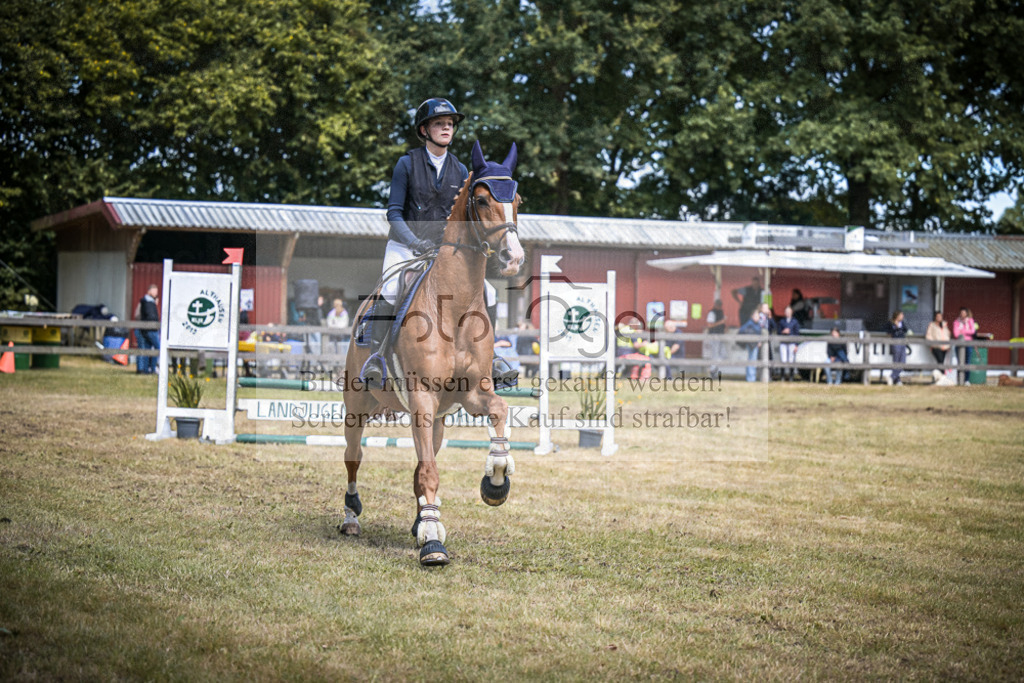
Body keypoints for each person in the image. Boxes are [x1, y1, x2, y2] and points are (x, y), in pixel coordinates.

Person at [361, 97, 516, 389]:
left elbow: (463, 217)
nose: (446, 128)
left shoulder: (459, 170)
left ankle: (491, 358)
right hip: (405, 247)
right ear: (424, 130)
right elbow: (393, 212)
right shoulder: (406, 164)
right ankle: (377, 360)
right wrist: (414, 241)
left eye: (449, 124)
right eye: (439, 124)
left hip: (442, 250)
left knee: (490, 293)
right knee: (392, 289)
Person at [135, 284, 160, 375]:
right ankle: (151, 369)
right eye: (154, 291)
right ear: (149, 291)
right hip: (149, 329)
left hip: (145, 329)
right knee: (157, 348)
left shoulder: (147, 302)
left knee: (146, 348)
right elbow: (140, 316)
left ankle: (146, 369)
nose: (156, 293)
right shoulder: (148, 302)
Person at [952, 307, 978, 385]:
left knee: (968, 361)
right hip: (959, 343)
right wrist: (966, 332)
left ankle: (966, 380)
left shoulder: (970, 321)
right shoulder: (956, 322)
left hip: (968, 343)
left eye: (964, 313)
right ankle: (959, 379)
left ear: (966, 313)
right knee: (959, 362)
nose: (962, 314)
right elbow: (956, 334)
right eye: (961, 313)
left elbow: (972, 331)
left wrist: (962, 331)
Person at [887, 310, 912, 386]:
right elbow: (889, 332)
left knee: (902, 362)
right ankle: (897, 379)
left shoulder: (902, 323)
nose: (902, 317)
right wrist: (896, 327)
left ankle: (892, 377)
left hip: (903, 342)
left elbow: (906, 330)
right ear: (897, 316)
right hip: (895, 343)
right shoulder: (891, 323)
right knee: (896, 361)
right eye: (901, 315)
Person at [777, 305, 801, 381]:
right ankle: (782, 376)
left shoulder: (795, 321)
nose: (787, 313)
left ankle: (791, 376)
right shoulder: (781, 321)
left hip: (792, 342)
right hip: (783, 342)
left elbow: (797, 333)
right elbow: (778, 332)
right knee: (783, 359)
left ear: (791, 312)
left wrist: (796, 345)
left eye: (789, 311)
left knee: (791, 359)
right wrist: (783, 332)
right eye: (786, 311)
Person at [925, 311, 951, 381]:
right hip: (936, 347)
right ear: (935, 317)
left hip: (944, 347)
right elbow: (928, 335)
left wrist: (948, 345)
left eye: (940, 316)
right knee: (940, 362)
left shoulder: (945, 325)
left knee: (941, 362)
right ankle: (942, 378)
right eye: (937, 316)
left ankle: (937, 378)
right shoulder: (932, 325)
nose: (939, 318)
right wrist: (933, 343)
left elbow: (947, 335)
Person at [738, 310, 762, 382]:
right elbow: (742, 330)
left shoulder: (758, 324)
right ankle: (750, 378)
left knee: (753, 360)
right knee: (751, 360)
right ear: (752, 316)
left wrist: (759, 341)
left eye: (757, 316)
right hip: (750, 344)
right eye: (755, 316)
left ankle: (751, 378)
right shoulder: (750, 323)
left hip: (755, 344)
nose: (756, 318)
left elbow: (759, 334)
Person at [704, 299, 727, 377]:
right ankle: (712, 370)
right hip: (714, 335)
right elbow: (709, 325)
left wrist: (724, 327)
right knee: (715, 353)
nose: (720, 307)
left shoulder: (721, 312)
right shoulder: (712, 313)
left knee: (723, 354)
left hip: (720, 335)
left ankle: (714, 368)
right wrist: (721, 322)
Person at [757, 302, 776, 381]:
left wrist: (770, 317)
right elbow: (757, 329)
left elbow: (774, 327)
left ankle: (769, 376)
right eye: (765, 308)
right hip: (760, 342)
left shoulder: (769, 318)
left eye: (768, 308)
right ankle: (760, 376)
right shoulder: (759, 317)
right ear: (761, 309)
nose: (767, 310)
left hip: (767, 341)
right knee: (760, 358)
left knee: (769, 358)